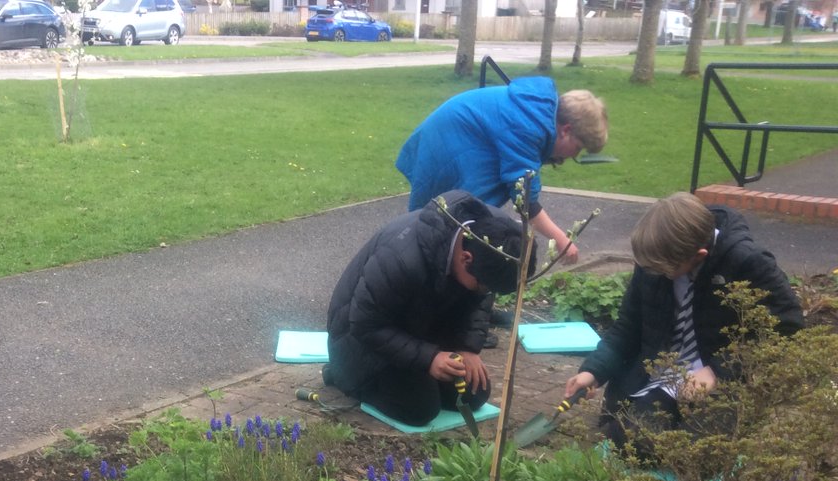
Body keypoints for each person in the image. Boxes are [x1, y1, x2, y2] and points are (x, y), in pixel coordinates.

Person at [564, 192, 803, 453]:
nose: (652, 274)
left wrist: (718, 372)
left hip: (719, 380)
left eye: (662, 270)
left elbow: (786, 330)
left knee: (696, 451)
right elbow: (627, 326)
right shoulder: (655, 259)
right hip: (662, 373)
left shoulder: (748, 262)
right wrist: (594, 371)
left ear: (698, 256)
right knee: (632, 439)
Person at [325, 190, 534, 427]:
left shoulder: (495, 239)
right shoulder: (401, 258)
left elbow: (480, 298)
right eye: (482, 286)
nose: (485, 292)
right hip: (360, 342)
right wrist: (429, 358)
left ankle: (424, 374)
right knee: (420, 409)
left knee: (475, 393)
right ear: (466, 259)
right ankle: (341, 376)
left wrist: (467, 347)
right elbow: (365, 323)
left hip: (419, 327)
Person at [395, 79, 608, 265]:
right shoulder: (529, 124)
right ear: (566, 130)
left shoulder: (538, 115)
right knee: (444, 226)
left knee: (457, 226)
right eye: (578, 148)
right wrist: (561, 240)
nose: (573, 156)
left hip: (455, 142)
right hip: (449, 147)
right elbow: (525, 199)